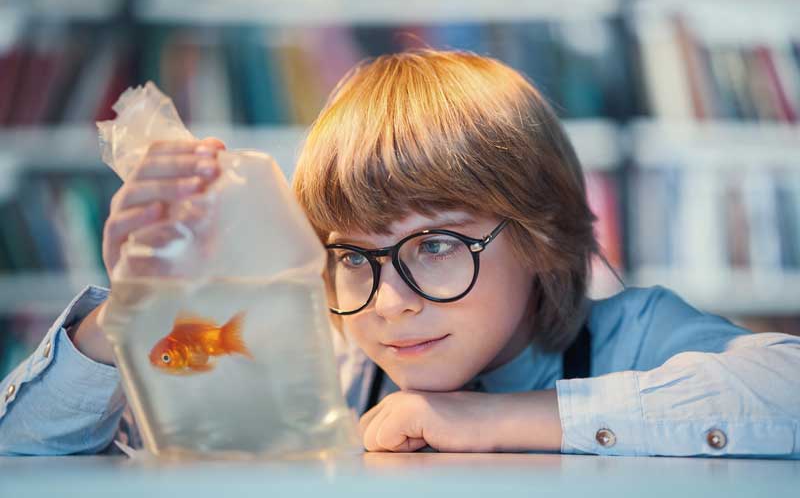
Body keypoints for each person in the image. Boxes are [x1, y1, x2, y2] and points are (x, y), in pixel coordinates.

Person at [1, 49, 798, 457]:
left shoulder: (635, 335)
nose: (388, 303)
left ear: (542, 233)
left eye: (439, 245)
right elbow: (27, 454)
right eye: (352, 256)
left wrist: (494, 421)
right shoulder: (331, 374)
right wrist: (125, 318)